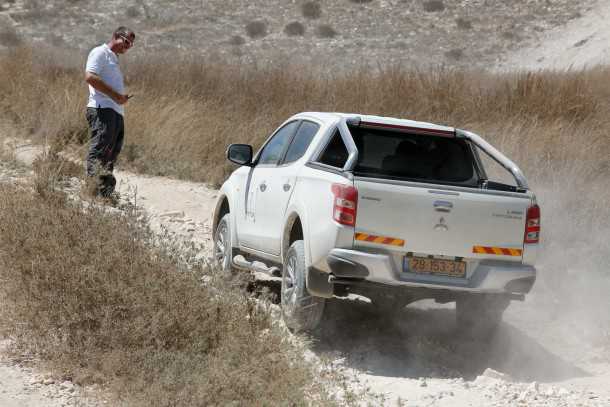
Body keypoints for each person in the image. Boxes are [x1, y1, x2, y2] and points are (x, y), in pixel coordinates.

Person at [84, 27, 135, 197]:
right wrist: (115, 96)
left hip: (115, 111)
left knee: (111, 153)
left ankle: (104, 194)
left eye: (130, 45)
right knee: (100, 150)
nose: (127, 47)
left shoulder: (114, 59)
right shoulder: (100, 52)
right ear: (115, 36)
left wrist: (120, 99)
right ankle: (91, 192)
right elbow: (90, 76)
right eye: (126, 42)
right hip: (102, 108)